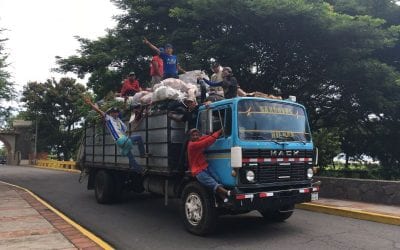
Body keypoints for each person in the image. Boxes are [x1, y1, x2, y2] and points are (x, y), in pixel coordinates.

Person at [83, 97, 147, 173]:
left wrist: (139, 113)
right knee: (138, 138)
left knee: (130, 156)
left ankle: (140, 170)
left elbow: (129, 125)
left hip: (123, 139)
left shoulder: (119, 121)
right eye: (114, 112)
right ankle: (141, 154)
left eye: (116, 112)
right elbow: (98, 111)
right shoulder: (108, 118)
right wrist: (90, 103)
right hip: (120, 140)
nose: (115, 113)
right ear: (110, 113)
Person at [187, 128, 230, 201]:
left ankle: (224, 199)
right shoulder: (192, 145)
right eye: (193, 135)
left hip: (206, 166)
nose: (195, 136)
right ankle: (229, 193)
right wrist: (218, 132)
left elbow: (205, 138)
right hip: (198, 171)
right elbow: (206, 142)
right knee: (213, 184)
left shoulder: (198, 140)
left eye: (196, 135)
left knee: (217, 180)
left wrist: (212, 134)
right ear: (190, 137)